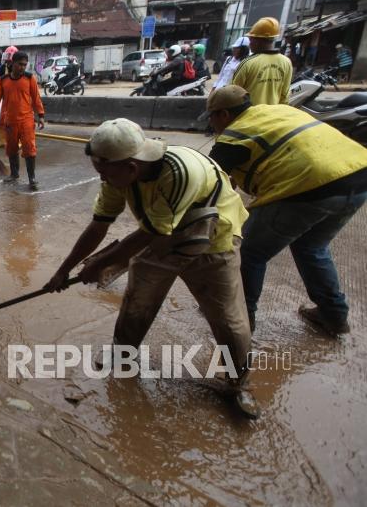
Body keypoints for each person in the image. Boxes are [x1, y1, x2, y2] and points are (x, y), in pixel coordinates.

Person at [44, 118, 258, 418]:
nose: (102, 179)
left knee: (227, 317)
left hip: (211, 240)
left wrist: (102, 263)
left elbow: (149, 234)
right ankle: (123, 353)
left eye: (105, 173)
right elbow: (99, 225)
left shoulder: (179, 173)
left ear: (131, 167)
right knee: (137, 300)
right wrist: (63, 270)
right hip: (162, 235)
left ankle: (238, 384)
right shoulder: (118, 173)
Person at [206, 85, 367, 335]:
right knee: (311, 246)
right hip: (358, 175)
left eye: (211, 117)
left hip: (311, 186)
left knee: (248, 253)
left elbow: (208, 186)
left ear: (223, 115)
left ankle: (241, 326)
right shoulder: (279, 111)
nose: (211, 124)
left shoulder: (232, 137)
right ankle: (333, 315)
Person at [0, 51, 45, 189]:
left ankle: (32, 178)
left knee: (29, 149)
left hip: (26, 120)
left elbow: (36, 98)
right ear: (12, 63)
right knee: (11, 149)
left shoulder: (30, 79)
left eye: (25, 65)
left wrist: (41, 115)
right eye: (20, 64)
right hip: (10, 121)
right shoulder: (4, 80)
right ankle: (14, 174)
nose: (22, 68)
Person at [231, 17, 292, 105]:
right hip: (272, 115)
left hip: (249, 116)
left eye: (251, 38)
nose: (250, 42)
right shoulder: (286, 62)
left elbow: (233, 93)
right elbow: (284, 96)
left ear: (256, 41)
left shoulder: (248, 63)